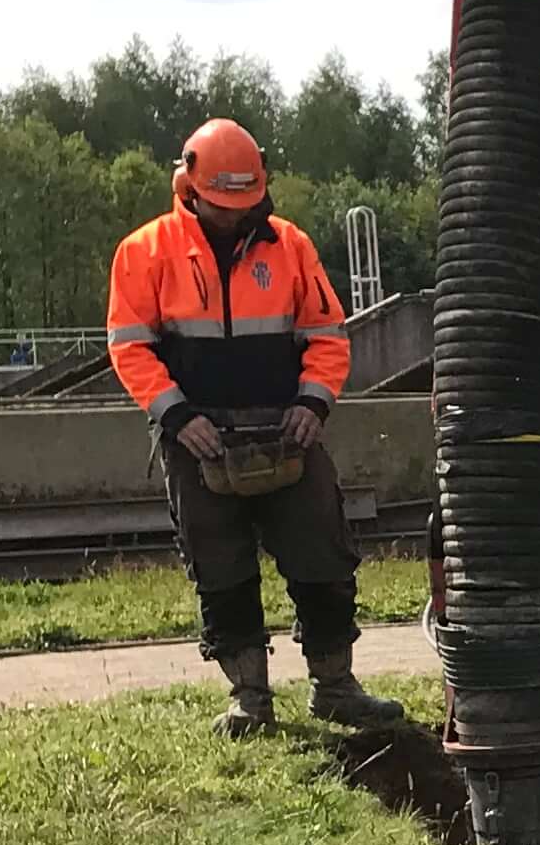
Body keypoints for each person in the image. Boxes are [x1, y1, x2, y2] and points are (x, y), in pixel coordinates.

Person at [105, 119, 397, 738]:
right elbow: (130, 348)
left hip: (288, 431)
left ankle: (335, 687)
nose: (235, 216)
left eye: (245, 203)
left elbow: (326, 334)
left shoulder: (290, 246)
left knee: (323, 557)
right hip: (198, 440)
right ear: (190, 188)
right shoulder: (145, 251)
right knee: (221, 568)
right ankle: (250, 697)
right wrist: (177, 416)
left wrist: (312, 405)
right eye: (222, 203)